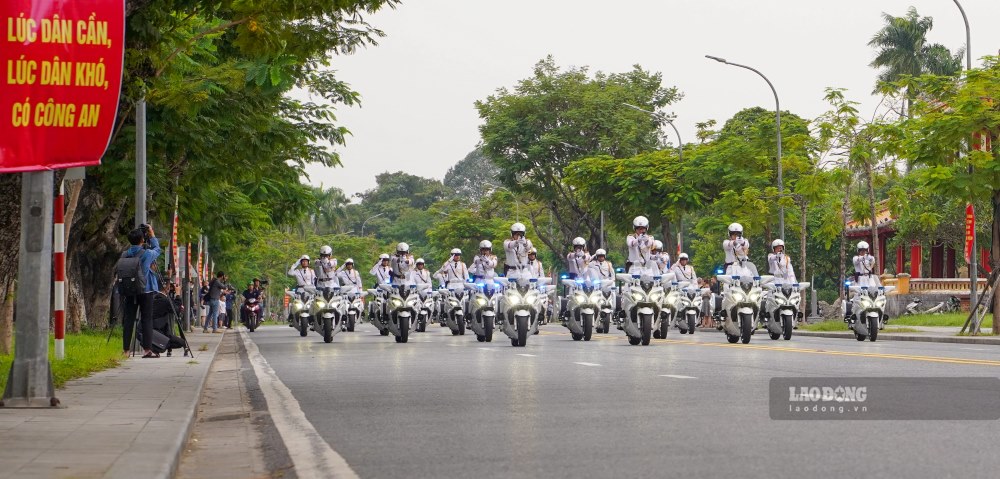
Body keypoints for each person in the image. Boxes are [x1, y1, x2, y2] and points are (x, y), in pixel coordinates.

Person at [118, 224, 161, 358]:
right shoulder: (147, 253)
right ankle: (147, 350)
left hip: (130, 289)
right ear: (143, 239)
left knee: (129, 319)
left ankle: (126, 350)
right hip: (146, 290)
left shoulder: (125, 254)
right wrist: (152, 234)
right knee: (147, 319)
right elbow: (157, 250)